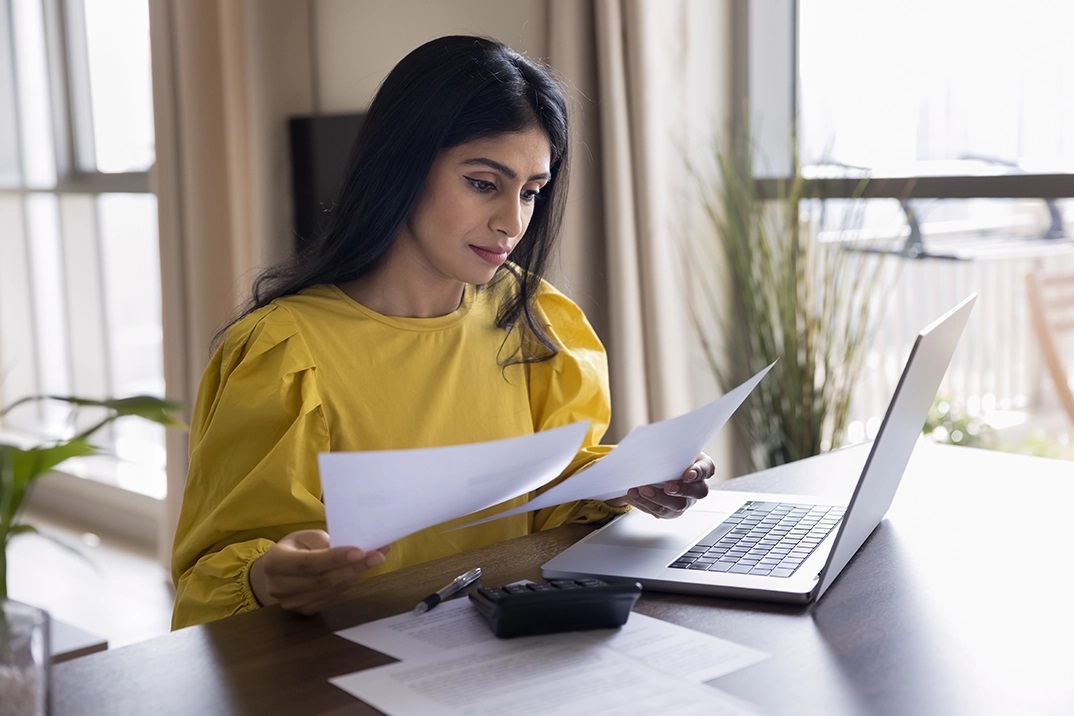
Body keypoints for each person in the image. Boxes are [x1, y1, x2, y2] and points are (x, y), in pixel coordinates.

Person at [170, 34, 715, 629]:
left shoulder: (535, 320)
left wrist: (629, 482)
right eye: (484, 183)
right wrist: (265, 574)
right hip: (353, 664)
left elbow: (549, 503)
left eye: (531, 192)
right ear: (401, 166)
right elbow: (211, 576)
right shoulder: (286, 354)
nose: (512, 222)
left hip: (511, 646)